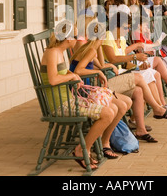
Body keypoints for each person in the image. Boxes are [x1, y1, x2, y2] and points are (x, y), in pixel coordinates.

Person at [40, 22, 121, 170]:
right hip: (61, 105)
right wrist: (72, 77)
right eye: (75, 36)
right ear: (68, 38)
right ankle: (82, 149)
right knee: (108, 113)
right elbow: (53, 80)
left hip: (70, 100)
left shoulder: (58, 52)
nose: (78, 39)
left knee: (114, 108)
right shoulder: (52, 53)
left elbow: (62, 73)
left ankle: (93, 145)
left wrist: (72, 74)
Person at [69, 23, 133, 159]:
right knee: (121, 105)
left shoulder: (92, 48)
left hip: (88, 88)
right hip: (83, 91)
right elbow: (78, 70)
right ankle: (105, 142)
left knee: (127, 101)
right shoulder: (90, 50)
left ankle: (105, 140)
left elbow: (101, 65)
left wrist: (103, 65)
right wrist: (98, 72)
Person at [102, 13, 167, 127]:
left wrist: (137, 67)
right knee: (145, 77)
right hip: (111, 76)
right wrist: (134, 57)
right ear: (115, 26)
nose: (128, 30)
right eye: (125, 27)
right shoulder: (108, 36)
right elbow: (113, 59)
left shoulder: (122, 39)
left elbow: (123, 62)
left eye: (128, 27)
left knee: (152, 73)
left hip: (121, 72)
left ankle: (157, 109)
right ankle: (158, 107)